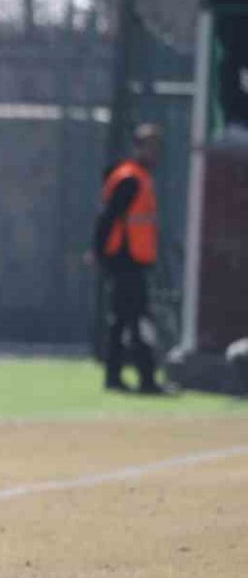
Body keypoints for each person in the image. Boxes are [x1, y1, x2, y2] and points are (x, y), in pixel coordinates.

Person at [90, 124, 165, 394]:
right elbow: (108, 217)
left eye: (157, 147)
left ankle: (116, 376)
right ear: (138, 148)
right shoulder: (130, 178)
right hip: (125, 259)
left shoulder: (140, 177)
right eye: (149, 147)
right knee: (137, 319)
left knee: (123, 320)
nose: (154, 153)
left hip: (134, 259)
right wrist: (98, 251)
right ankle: (146, 378)